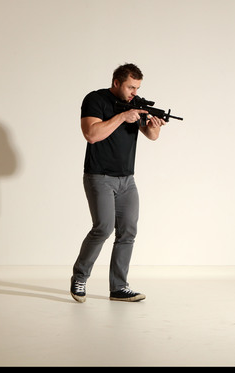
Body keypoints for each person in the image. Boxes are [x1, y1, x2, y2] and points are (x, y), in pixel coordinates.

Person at [71, 63, 165, 303]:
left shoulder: (136, 103)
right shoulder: (95, 99)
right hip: (99, 176)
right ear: (116, 83)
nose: (134, 92)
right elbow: (91, 135)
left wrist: (154, 126)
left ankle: (119, 287)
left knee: (128, 231)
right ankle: (80, 276)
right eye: (131, 87)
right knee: (103, 227)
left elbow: (152, 136)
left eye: (138, 87)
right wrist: (123, 116)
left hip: (127, 179)